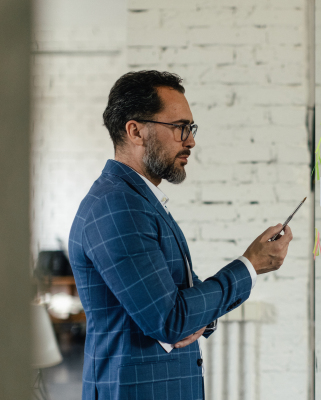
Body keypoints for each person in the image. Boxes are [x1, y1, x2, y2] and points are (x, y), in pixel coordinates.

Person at [69, 70, 293, 400]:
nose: (190, 140)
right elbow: (171, 319)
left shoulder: (137, 201)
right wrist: (250, 265)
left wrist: (192, 317)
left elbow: (182, 302)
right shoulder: (118, 206)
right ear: (136, 131)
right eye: (180, 128)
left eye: (191, 128)